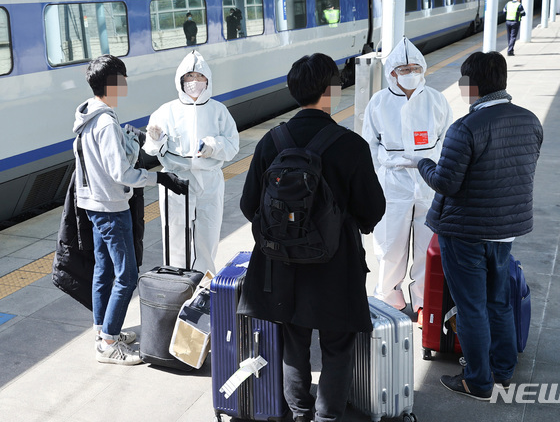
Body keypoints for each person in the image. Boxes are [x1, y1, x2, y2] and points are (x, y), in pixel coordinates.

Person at [237, 53, 385, 422]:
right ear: (332, 91)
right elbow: (373, 209)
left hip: (281, 266)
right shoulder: (351, 145)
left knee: (293, 342)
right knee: (337, 344)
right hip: (336, 265)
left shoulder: (271, 142)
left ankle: (300, 412)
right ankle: (328, 416)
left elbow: (247, 205)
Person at [413, 51, 543, 399]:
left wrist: (423, 162)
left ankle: (478, 381)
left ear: (472, 86)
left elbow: (446, 183)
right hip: (506, 229)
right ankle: (503, 372)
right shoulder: (530, 120)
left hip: (466, 233)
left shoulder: (465, 127)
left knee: (471, 307)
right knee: (498, 302)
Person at [73, 55, 188, 365]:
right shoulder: (105, 122)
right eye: (122, 79)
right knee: (126, 275)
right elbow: (120, 173)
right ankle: (108, 343)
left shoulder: (87, 116)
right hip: (110, 206)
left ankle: (103, 331)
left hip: (93, 204)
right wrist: (158, 177)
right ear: (112, 84)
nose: (125, 84)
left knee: (104, 270)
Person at [361, 37, 452, 327]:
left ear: (423, 68)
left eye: (415, 67)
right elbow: (369, 146)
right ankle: (388, 299)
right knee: (390, 246)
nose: (410, 72)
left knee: (427, 247)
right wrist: (379, 177)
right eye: (403, 68)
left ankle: (425, 302)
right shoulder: (378, 102)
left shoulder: (437, 100)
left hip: (430, 183)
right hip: (393, 184)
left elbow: (449, 140)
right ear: (392, 72)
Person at [144, 50, 239, 275]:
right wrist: (155, 139)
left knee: (207, 235)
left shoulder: (218, 111)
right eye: (189, 77)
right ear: (180, 80)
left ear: (208, 80)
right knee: (175, 237)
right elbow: (150, 148)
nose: (194, 82)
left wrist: (213, 145)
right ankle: (177, 284)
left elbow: (233, 145)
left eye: (199, 77)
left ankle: (204, 284)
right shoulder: (166, 111)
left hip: (209, 180)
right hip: (176, 181)